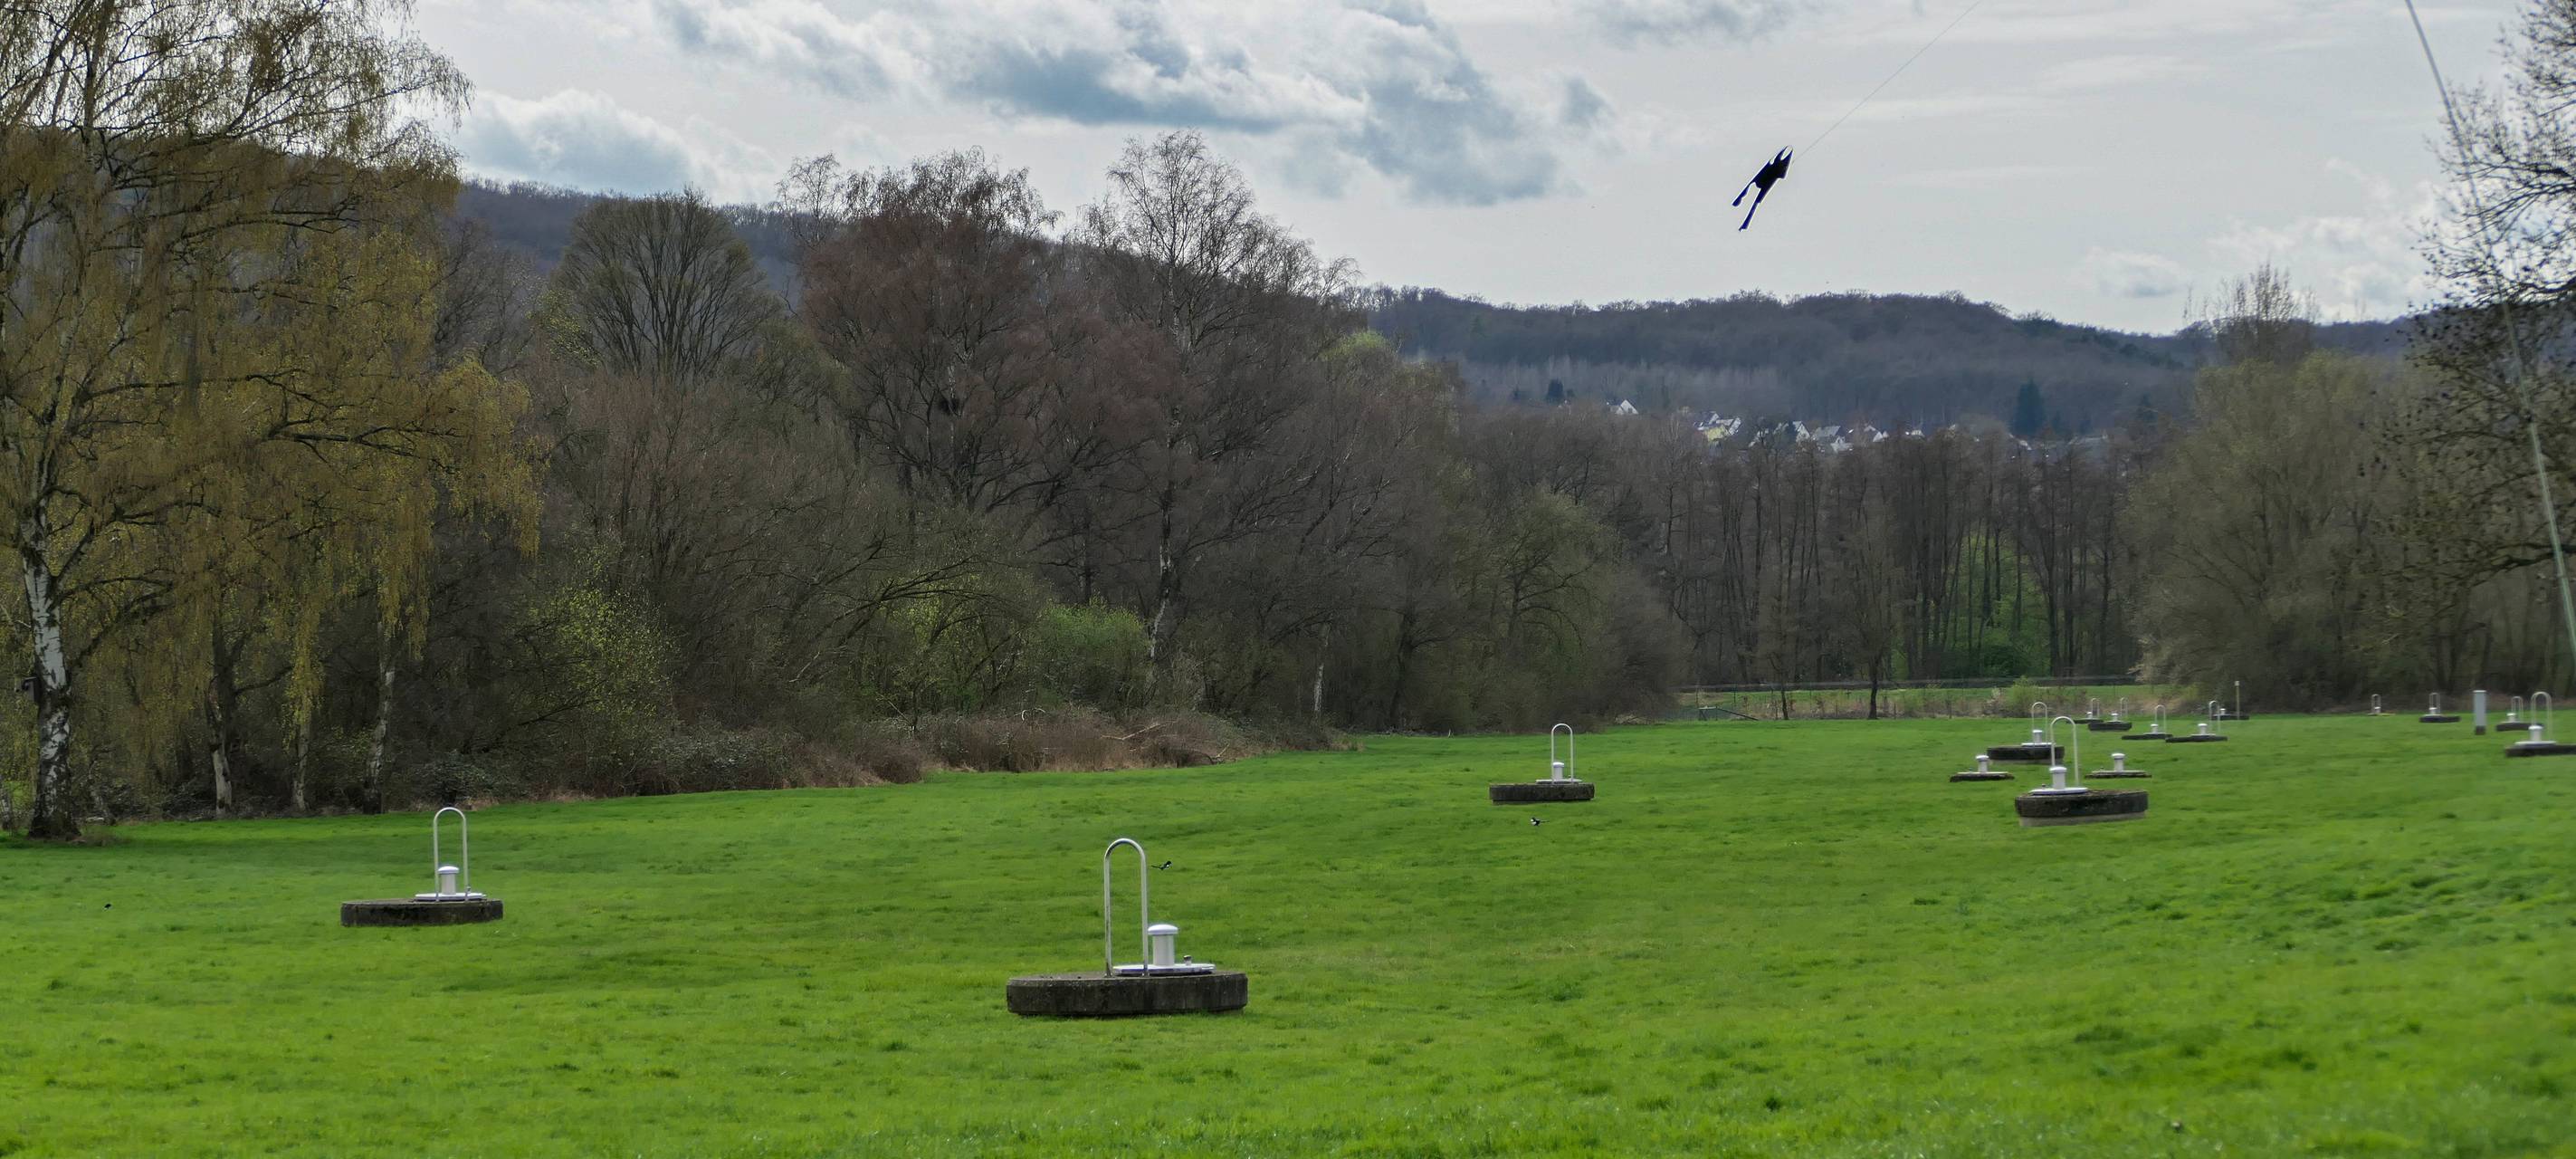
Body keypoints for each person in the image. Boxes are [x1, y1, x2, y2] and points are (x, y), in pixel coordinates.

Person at [1733, 148, 1792, 230]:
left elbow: (1781, 173)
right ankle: (1743, 219)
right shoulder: (1779, 160)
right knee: (1755, 200)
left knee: (1756, 201)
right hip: (1767, 175)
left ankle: (1745, 224)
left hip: (1769, 177)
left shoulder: (1781, 161)